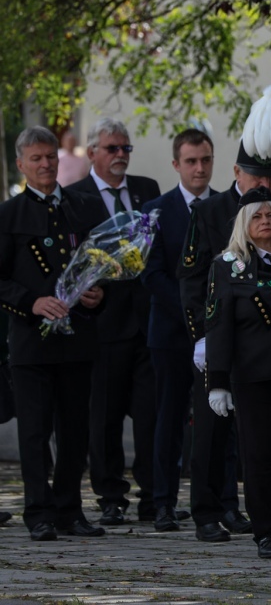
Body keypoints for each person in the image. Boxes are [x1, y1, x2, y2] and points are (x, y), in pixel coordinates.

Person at [178, 88, 271, 542]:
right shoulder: (210, 210)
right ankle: (207, 511)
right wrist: (202, 336)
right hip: (221, 333)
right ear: (236, 172)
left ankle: (264, 514)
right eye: (255, 175)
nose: (263, 183)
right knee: (212, 430)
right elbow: (193, 278)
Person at [0, 126, 109, 541]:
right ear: (21, 164)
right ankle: (38, 512)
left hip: (76, 339)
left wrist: (99, 294)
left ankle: (69, 509)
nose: (45, 164)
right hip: (31, 342)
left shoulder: (84, 207)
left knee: (75, 429)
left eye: (50, 156)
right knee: (34, 431)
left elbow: (105, 264)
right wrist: (30, 302)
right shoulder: (8, 215)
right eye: (36, 158)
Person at [203, 187, 271, 559]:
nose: (265, 222)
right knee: (260, 457)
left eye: (270, 216)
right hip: (253, 376)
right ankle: (267, 532)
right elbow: (218, 325)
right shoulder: (227, 265)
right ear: (243, 224)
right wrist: (218, 382)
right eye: (257, 217)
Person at [67, 118, 160, 526]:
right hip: (102, 323)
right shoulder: (75, 197)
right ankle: (110, 496)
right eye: (112, 149)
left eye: (126, 148)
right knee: (104, 416)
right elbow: (73, 258)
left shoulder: (147, 190)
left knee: (150, 414)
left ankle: (154, 494)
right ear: (92, 153)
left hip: (147, 321)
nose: (121, 155)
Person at [140, 128, 214, 532]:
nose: (199, 168)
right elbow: (151, 274)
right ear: (176, 164)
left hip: (215, 333)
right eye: (191, 161)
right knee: (168, 418)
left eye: (205, 160)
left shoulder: (225, 207)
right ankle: (163, 502)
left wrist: (211, 321)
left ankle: (218, 503)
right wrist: (192, 315)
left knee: (217, 419)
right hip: (170, 333)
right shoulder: (155, 210)